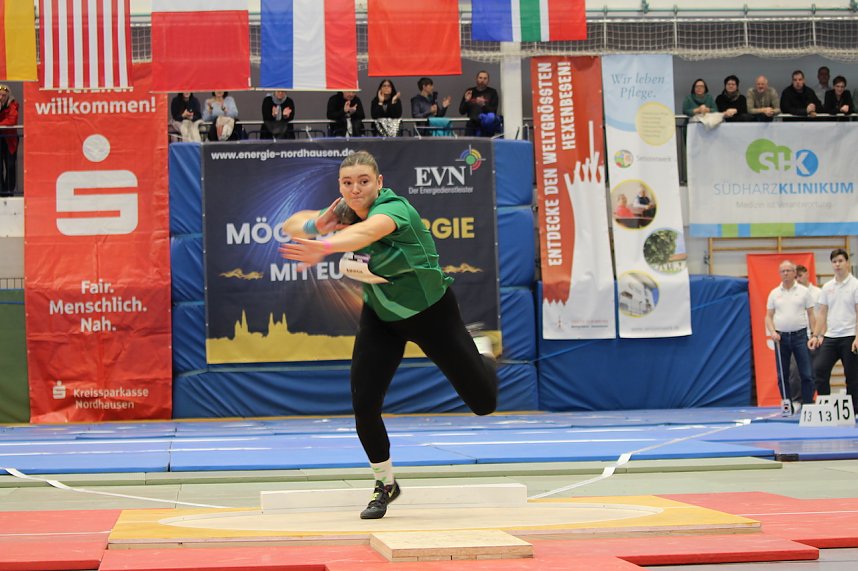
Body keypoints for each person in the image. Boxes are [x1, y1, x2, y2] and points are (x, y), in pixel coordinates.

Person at [279, 150, 498, 519]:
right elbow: (291, 225)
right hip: (382, 316)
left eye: (364, 181)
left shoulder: (395, 209)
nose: (355, 189)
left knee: (483, 403)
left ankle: (483, 353)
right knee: (364, 405)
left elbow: (368, 231)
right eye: (347, 183)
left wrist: (326, 245)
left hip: (432, 314)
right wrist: (320, 223)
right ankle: (386, 483)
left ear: (378, 183)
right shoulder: (344, 209)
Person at [808, 248, 858, 413]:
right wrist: (816, 335)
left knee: (852, 376)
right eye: (834, 262)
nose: (837, 264)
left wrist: (857, 337)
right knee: (819, 369)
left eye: (840, 261)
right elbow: (822, 313)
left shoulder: (855, 285)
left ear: (847, 263)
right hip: (831, 336)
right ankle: (825, 408)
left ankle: (854, 410)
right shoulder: (828, 286)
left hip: (850, 336)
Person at [765, 260, 817, 410]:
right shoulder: (774, 293)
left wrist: (814, 334)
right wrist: (773, 332)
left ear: (795, 273)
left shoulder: (803, 291)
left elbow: (811, 314)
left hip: (800, 336)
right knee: (783, 374)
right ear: (779, 274)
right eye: (783, 271)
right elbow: (768, 316)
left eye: (789, 270)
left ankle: (808, 405)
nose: (786, 273)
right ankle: (787, 404)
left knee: (806, 373)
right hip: (781, 338)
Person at [459, 70, 500, 136]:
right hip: (471, 127)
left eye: (485, 78)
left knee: (485, 146)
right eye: (480, 78)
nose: (482, 80)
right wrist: (466, 100)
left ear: (488, 80)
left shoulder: (492, 92)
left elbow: (493, 111)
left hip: (486, 128)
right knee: (470, 146)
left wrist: (483, 105)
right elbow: (461, 111)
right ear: (476, 79)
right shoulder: (470, 91)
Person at [0, 85, 19, 197]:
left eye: (4, 95)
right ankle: (1, 191)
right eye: (0, 95)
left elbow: (12, 120)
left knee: (10, 166)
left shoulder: (12, 105)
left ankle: (9, 191)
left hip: (10, 140)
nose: (1, 97)